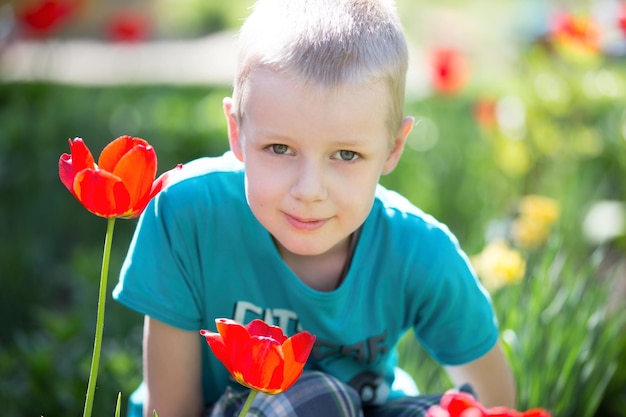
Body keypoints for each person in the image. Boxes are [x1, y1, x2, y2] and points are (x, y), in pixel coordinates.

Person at [112, 0, 517, 416]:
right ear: (237, 131)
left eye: (345, 155)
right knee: (320, 401)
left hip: (365, 407)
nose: (309, 191)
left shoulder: (419, 251)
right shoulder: (188, 214)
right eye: (280, 148)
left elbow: (496, 403)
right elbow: (173, 410)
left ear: (393, 146)